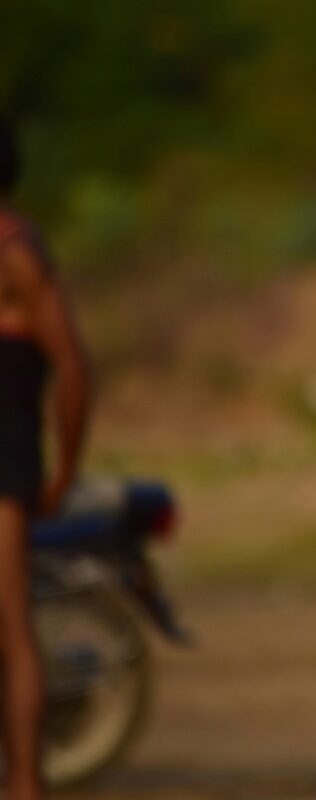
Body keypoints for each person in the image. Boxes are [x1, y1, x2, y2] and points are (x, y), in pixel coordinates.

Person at [0, 118, 91, 800]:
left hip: (5, 457)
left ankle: (27, 784)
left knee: (10, 624)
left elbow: (72, 367)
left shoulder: (17, 253)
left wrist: (63, 469)